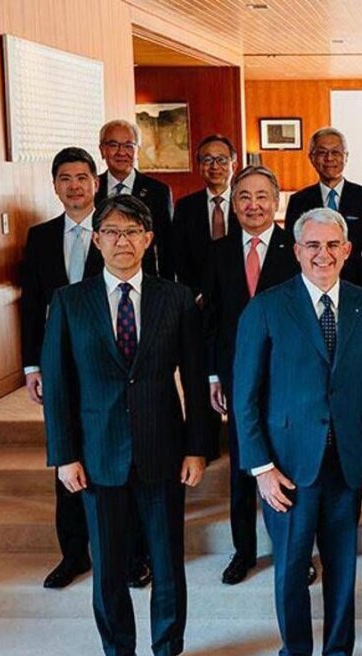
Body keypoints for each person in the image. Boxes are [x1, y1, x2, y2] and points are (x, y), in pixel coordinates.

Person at [40, 194, 208, 656]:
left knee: (167, 563)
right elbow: (58, 385)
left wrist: (197, 448)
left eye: (133, 232)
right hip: (97, 455)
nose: (122, 241)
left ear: (149, 239)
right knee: (109, 568)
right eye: (112, 232)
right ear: (96, 239)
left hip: (163, 450)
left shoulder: (176, 299)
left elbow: (195, 380)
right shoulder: (70, 302)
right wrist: (64, 455)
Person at [232, 207, 362, 656]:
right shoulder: (266, 307)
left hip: (346, 464)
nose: (324, 254)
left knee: (342, 567)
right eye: (313, 246)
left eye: (333, 245)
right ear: (297, 251)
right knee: (292, 568)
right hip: (287, 469)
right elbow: (245, 397)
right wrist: (261, 468)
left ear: (348, 250)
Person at [202, 166, 302, 586]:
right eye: (244, 196)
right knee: (244, 466)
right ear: (233, 202)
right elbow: (210, 320)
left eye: (262, 196)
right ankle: (243, 551)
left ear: (276, 202)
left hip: (286, 375)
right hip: (235, 374)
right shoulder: (218, 251)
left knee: (285, 463)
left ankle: (293, 552)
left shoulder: (295, 248)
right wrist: (213, 375)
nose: (253, 205)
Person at [20, 147, 103, 589]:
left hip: (106, 363)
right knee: (65, 453)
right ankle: (73, 554)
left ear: (96, 183)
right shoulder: (40, 237)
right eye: (65, 178)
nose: (74, 186)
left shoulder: (114, 230)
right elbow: (32, 306)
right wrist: (32, 364)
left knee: (111, 455)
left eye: (82, 177)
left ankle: (128, 554)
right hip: (57, 362)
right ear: (55, 186)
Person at [284, 127, 362, 289]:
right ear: (311, 158)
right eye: (322, 152)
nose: (329, 158)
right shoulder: (299, 201)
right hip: (312, 282)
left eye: (336, 152)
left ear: (346, 157)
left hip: (356, 284)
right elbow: (292, 249)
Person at [95, 119, 174, 278]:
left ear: (137, 150)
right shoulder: (92, 188)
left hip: (145, 278)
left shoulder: (158, 191)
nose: (121, 152)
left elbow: (167, 245)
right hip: (99, 278)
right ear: (102, 150)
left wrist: (166, 284)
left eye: (128, 146)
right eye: (113, 145)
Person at [170, 134, 239, 295]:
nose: (214, 166)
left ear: (234, 166)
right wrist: (195, 294)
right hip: (197, 297)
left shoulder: (246, 205)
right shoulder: (185, 207)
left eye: (222, 160)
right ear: (200, 166)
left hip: (240, 294)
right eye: (207, 160)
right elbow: (178, 256)